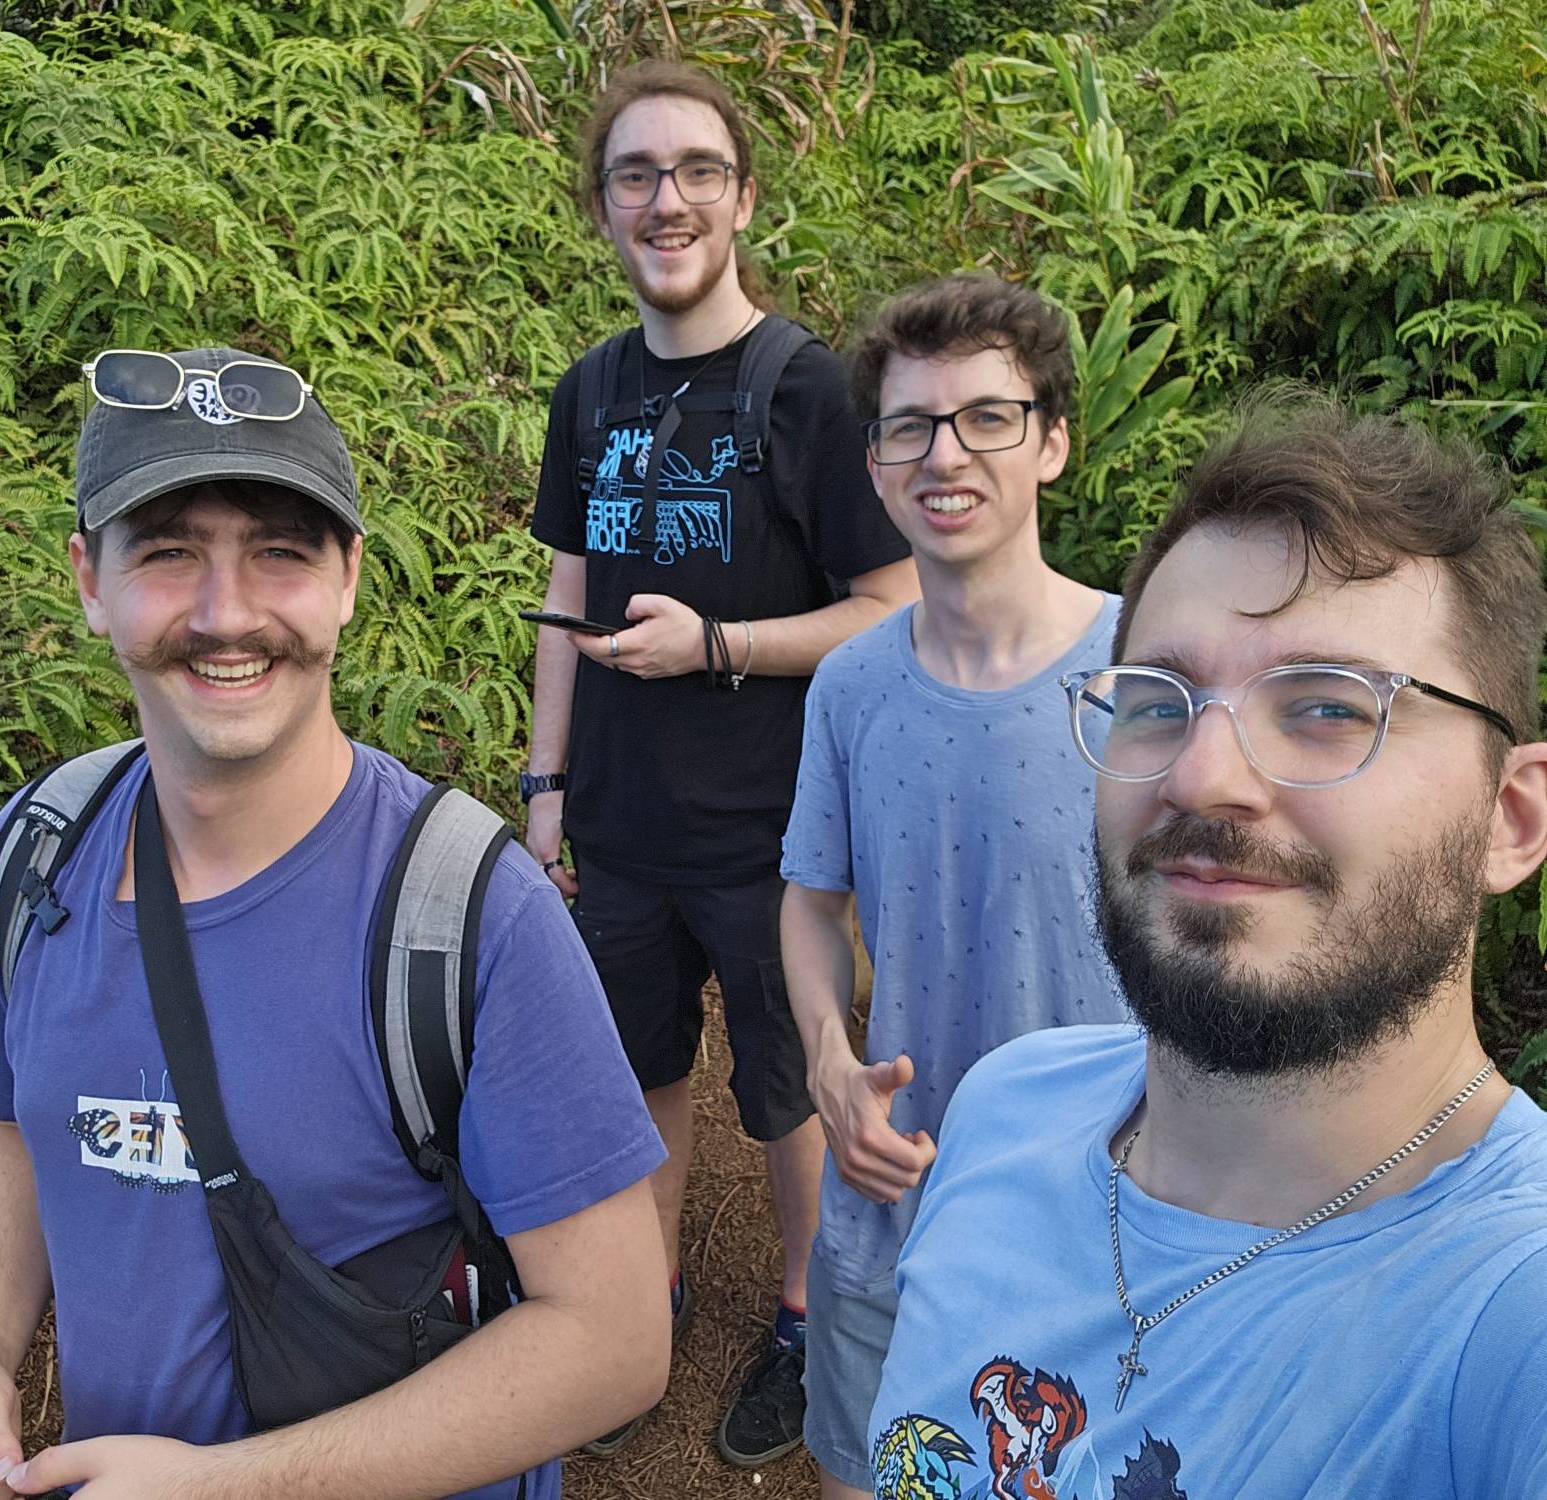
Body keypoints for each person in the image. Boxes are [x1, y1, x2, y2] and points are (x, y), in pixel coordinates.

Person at [0, 348, 670, 1500]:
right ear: (86, 577)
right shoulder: (38, 849)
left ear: (350, 579)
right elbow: (18, 1131)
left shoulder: (467, 916)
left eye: (281, 552)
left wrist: (224, 1485)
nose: (227, 615)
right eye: (167, 553)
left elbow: (613, 1341)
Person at [863, 393, 1547, 1499]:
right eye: (1157, 701)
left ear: (1509, 818)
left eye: (1326, 707)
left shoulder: (1508, 1312)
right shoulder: (1000, 1113)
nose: (1199, 777)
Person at [524, 60, 918, 1467]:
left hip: (774, 833)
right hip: (620, 825)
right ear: (603, 210)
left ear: (744, 198)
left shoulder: (807, 388)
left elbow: (889, 613)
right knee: (639, 1076)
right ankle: (648, 1305)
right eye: (637, 174)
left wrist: (719, 645)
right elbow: (568, 588)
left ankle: (809, 1314)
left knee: (790, 1084)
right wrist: (544, 789)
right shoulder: (590, 390)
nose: (666, 198)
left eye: (697, 170)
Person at [779, 273, 1128, 1500]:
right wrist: (827, 1059)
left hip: (1113, 1230)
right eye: (909, 426)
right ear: (874, 467)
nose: (946, 454)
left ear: (1051, 442)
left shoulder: (1143, 681)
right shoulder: (849, 686)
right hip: (894, 1221)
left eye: (986, 417)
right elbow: (811, 900)